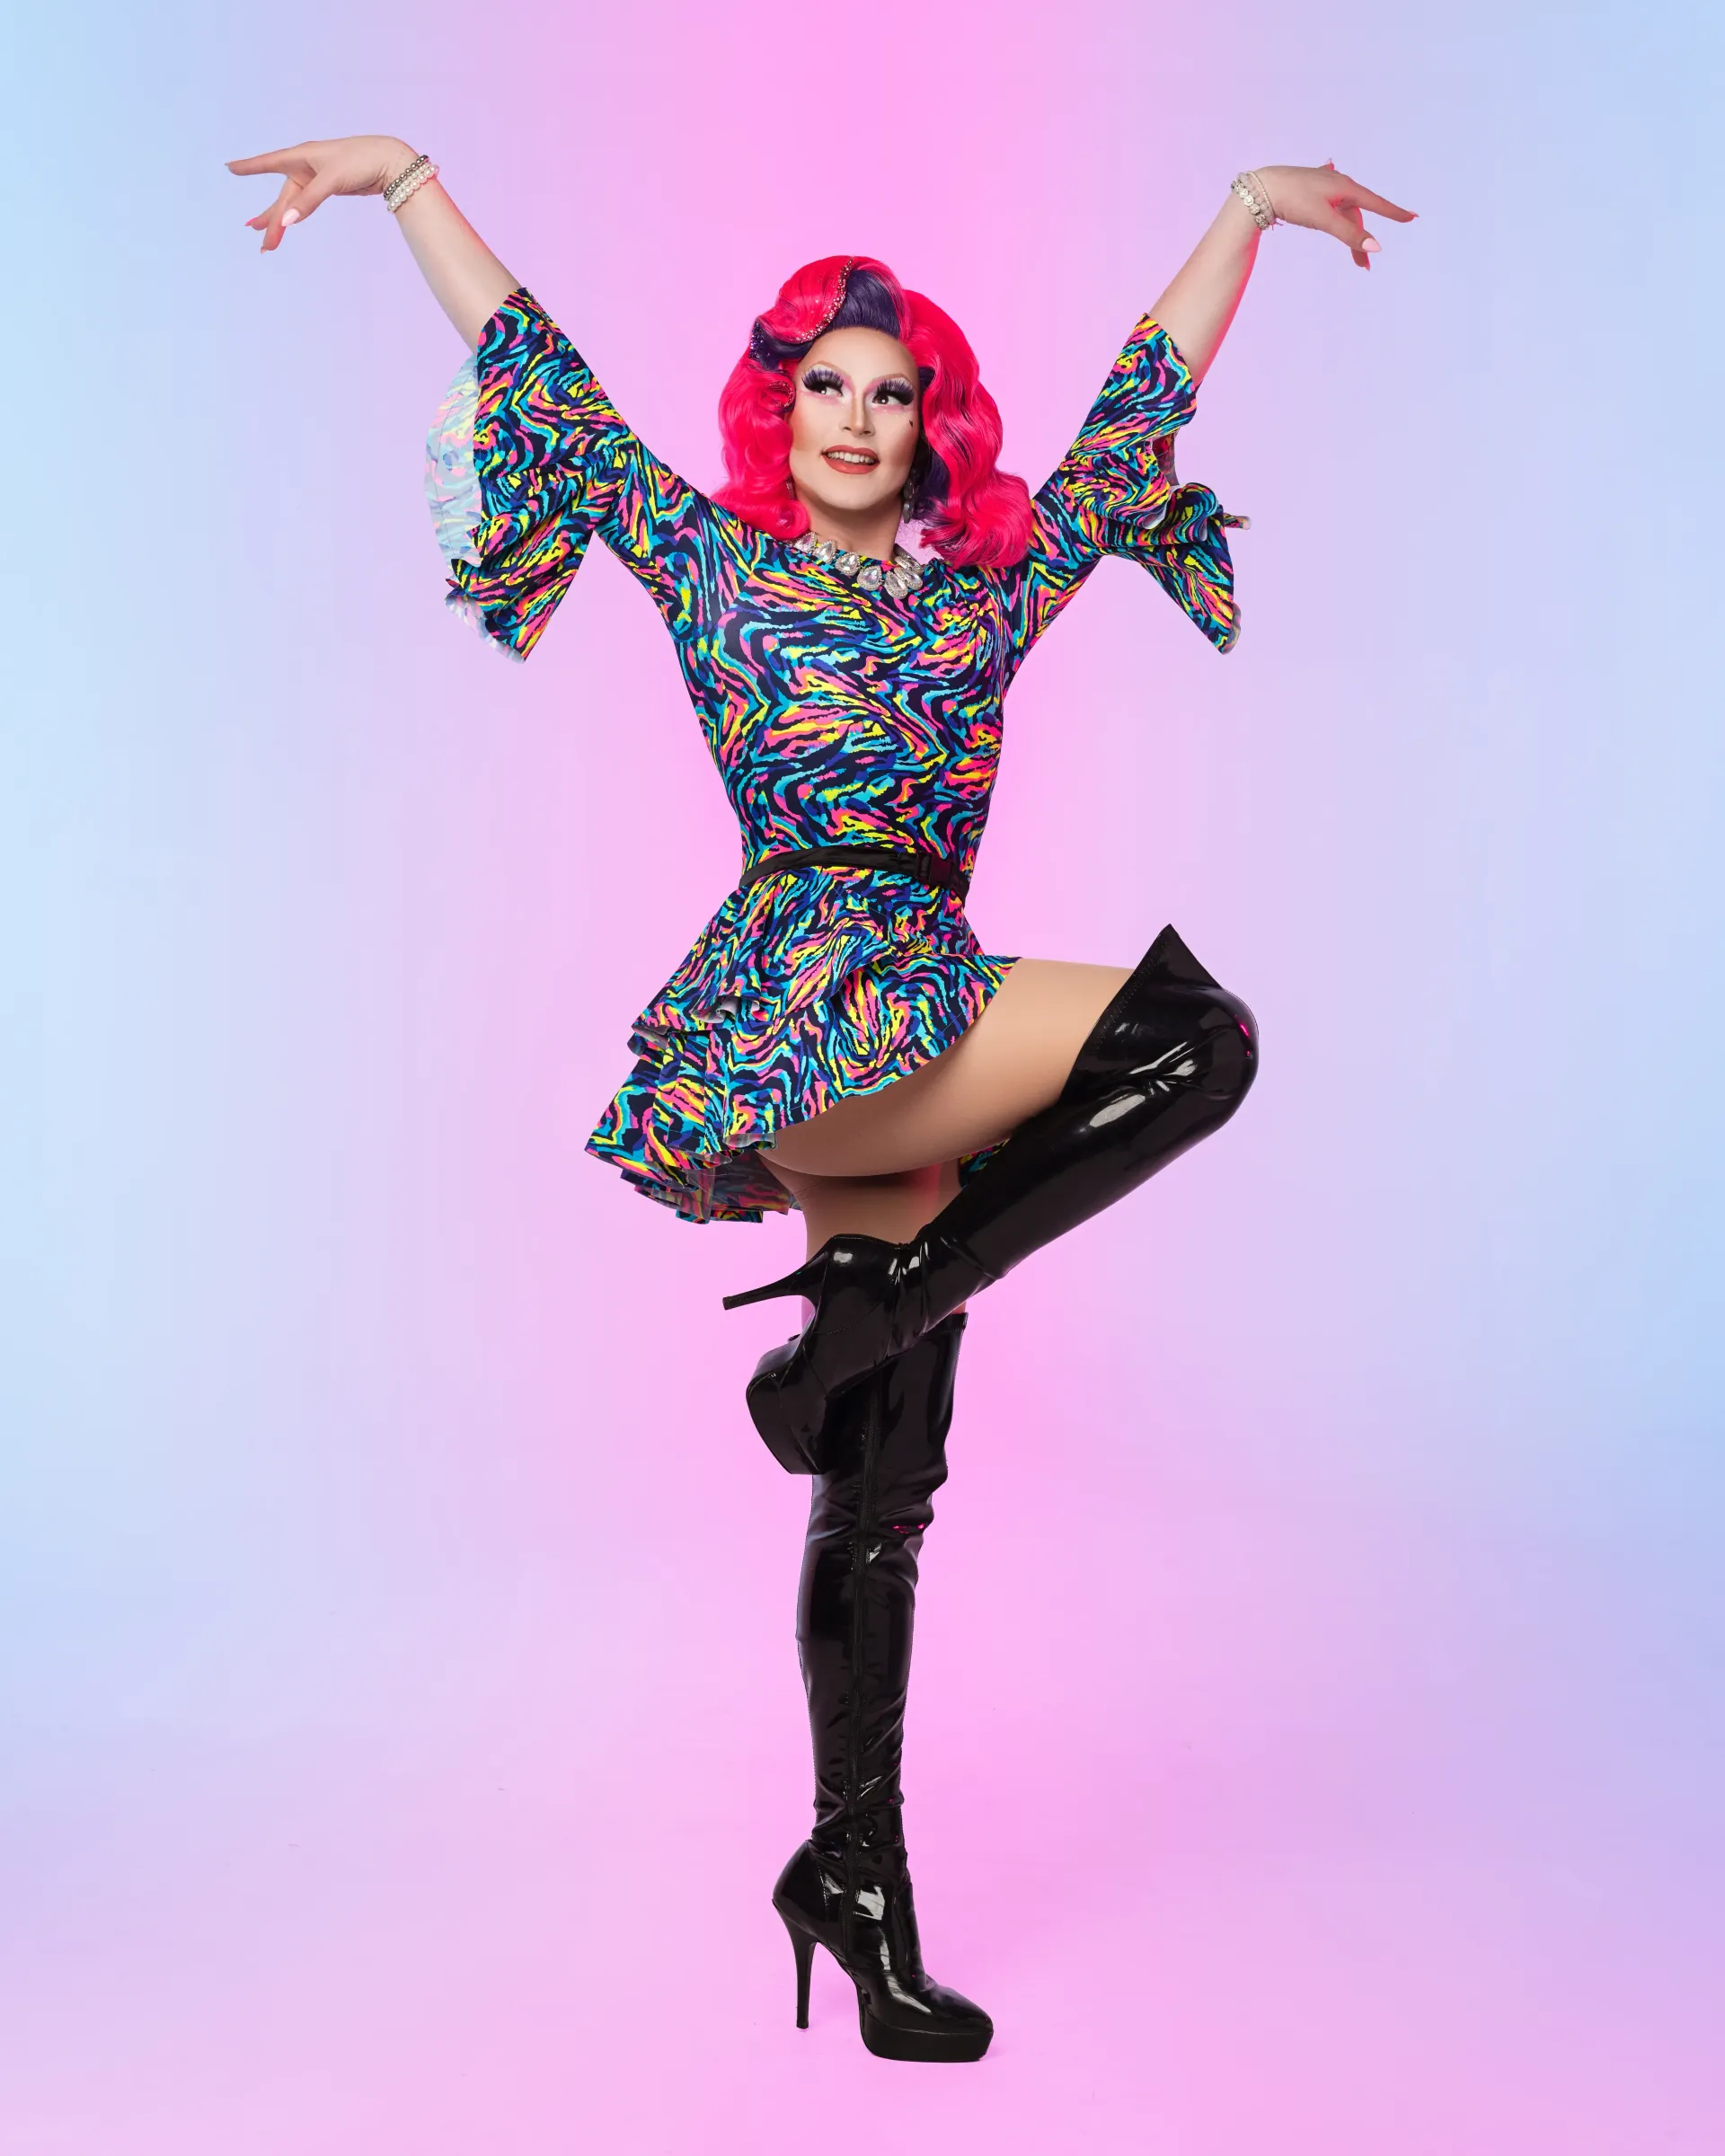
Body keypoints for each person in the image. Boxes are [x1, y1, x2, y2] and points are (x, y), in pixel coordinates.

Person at [229, 137, 1415, 2062]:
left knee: (879, 1493)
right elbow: (550, 383)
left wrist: (1244, 219)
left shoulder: (985, 597)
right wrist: (409, 181)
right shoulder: (718, 568)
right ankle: (868, 1300)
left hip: (920, 1033)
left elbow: (1134, 414)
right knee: (1201, 1039)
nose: (857, 416)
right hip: (806, 1017)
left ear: (932, 423)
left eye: (892, 390)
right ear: (779, 413)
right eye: (824, 386)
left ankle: (853, 1878)